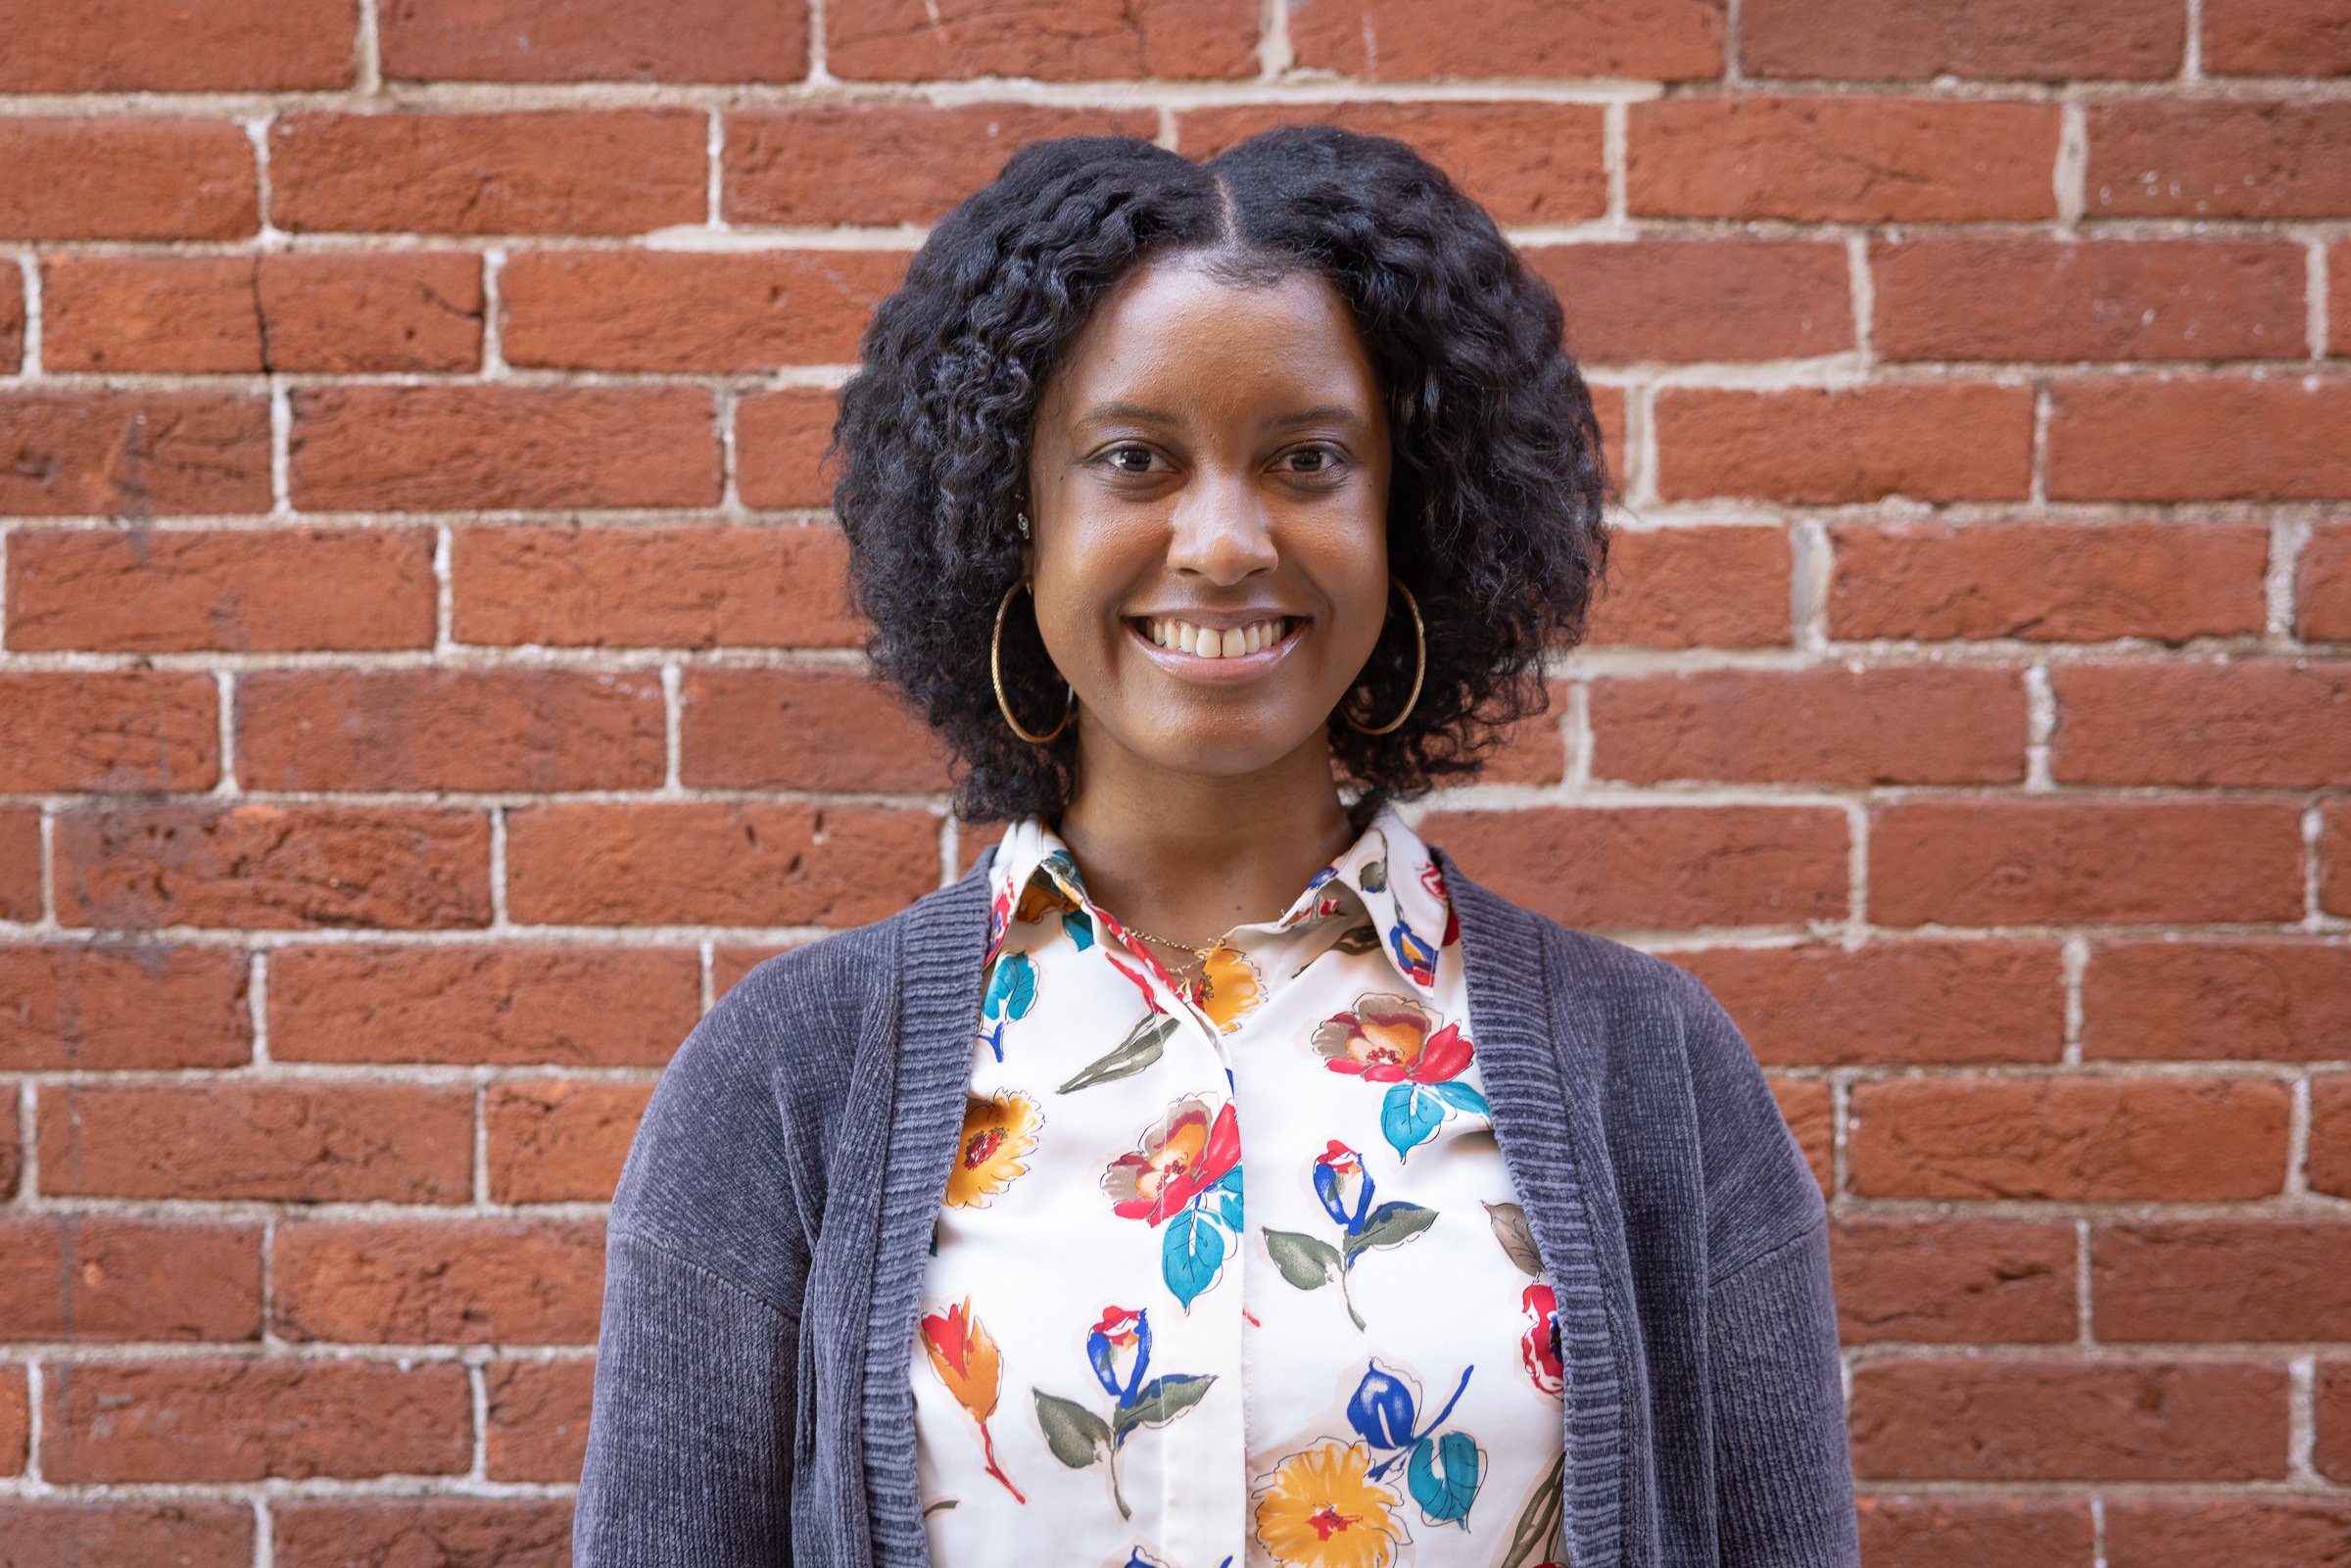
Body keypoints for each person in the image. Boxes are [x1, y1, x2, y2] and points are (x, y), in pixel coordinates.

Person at [575, 126, 1856, 1568]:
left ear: (1411, 513)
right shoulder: (778, 1088)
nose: (1225, 539)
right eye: (1134, 458)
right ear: (1018, 515)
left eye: (1308, 458)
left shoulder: (1656, 1078)